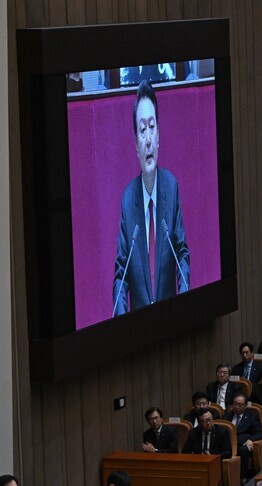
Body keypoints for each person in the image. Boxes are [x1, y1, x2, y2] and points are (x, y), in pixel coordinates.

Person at [113, 81, 189, 315]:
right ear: (136, 145)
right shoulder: (128, 200)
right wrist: (121, 322)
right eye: (142, 129)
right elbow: (120, 273)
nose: (148, 138)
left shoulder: (170, 185)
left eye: (152, 127)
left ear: (159, 137)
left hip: (171, 318)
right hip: (139, 325)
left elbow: (182, 253)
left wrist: (186, 304)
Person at [227, 394, 262, 478]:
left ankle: (243, 477)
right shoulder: (228, 415)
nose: (237, 407)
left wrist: (250, 439)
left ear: (246, 405)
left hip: (242, 442)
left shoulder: (252, 416)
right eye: (235, 404)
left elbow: (259, 433)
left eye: (240, 404)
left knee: (243, 450)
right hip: (229, 442)